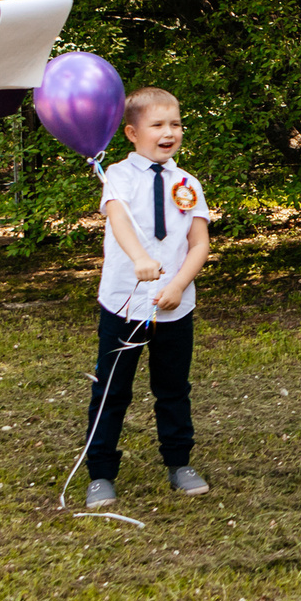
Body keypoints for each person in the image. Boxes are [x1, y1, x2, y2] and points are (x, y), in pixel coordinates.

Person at [84, 88, 215, 507]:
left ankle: (179, 462)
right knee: (112, 389)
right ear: (131, 132)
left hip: (175, 307)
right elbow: (118, 218)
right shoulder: (118, 176)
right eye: (157, 125)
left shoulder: (187, 183)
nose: (169, 132)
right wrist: (139, 257)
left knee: (173, 388)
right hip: (125, 303)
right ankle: (101, 470)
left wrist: (178, 285)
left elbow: (199, 243)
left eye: (175, 124)